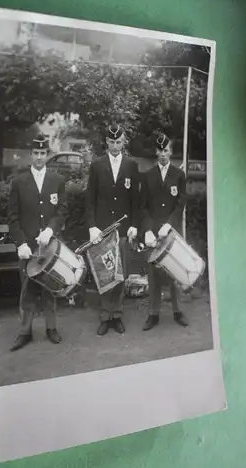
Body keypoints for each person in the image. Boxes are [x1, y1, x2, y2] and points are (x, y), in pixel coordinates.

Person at [7, 134, 68, 351]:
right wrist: (21, 243)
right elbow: (12, 217)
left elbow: (62, 210)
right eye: (36, 153)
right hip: (29, 249)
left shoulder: (57, 180)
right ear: (31, 154)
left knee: (50, 288)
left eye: (43, 153)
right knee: (27, 289)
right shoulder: (19, 182)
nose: (40, 157)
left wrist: (51, 228)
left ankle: (51, 328)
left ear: (47, 155)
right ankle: (25, 331)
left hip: (49, 246)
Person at [86, 124, 140, 336]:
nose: (115, 146)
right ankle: (104, 315)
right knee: (104, 273)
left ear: (123, 141)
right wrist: (92, 226)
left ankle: (116, 314)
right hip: (102, 230)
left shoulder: (131, 165)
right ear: (106, 142)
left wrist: (135, 225)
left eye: (119, 142)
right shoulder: (97, 166)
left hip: (123, 229)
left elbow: (136, 199)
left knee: (119, 273)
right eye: (112, 142)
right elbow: (89, 200)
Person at [140, 133, 188, 331]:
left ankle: (178, 311)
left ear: (171, 152)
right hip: (153, 233)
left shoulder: (179, 175)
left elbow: (180, 203)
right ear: (155, 151)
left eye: (166, 150)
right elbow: (143, 207)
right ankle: (153, 314)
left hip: (171, 231)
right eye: (159, 150)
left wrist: (169, 224)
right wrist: (148, 231)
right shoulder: (148, 176)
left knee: (175, 272)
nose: (162, 154)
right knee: (153, 274)